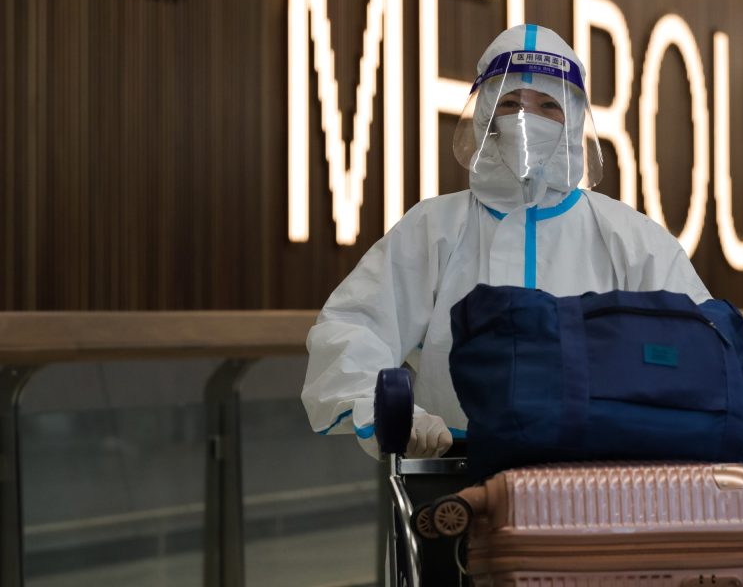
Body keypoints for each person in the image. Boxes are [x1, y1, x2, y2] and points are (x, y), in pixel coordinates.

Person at [302, 24, 711, 458]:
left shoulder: (632, 239)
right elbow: (352, 329)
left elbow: (700, 346)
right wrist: (394, 413)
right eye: (509, 102)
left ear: (574, 119)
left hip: (600, 482)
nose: (524, 119)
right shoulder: (435, 227)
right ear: (484, 116)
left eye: (548, 106)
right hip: (457, 472)